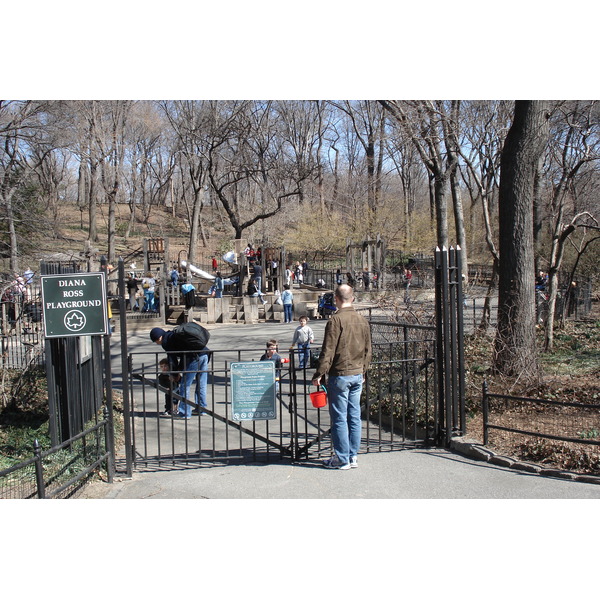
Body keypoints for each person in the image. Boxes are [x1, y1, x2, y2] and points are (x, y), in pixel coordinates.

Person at [311, 284, 372, 470]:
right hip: (357, 373)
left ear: (336, 299)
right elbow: (368, 350)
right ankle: (352, 456)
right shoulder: (362, 320)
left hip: (340, 374)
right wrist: (364, 370)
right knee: (354, 417)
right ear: (352, 298)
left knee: (339, 418)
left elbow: (328, 350)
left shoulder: (335, 320)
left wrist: (319, 373)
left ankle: (342, 458)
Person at [150, 327, 210, 418]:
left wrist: (175, 374)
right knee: (201, 383)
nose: (156, 343)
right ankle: (201, 408)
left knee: (184, 385)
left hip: (194, 357)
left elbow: (172, 359)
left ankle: (184, 412)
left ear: (159, 338)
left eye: (155, 341)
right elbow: (182, 354)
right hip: (204, 354)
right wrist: (179, 369)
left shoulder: (167, 342)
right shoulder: (174, 335)